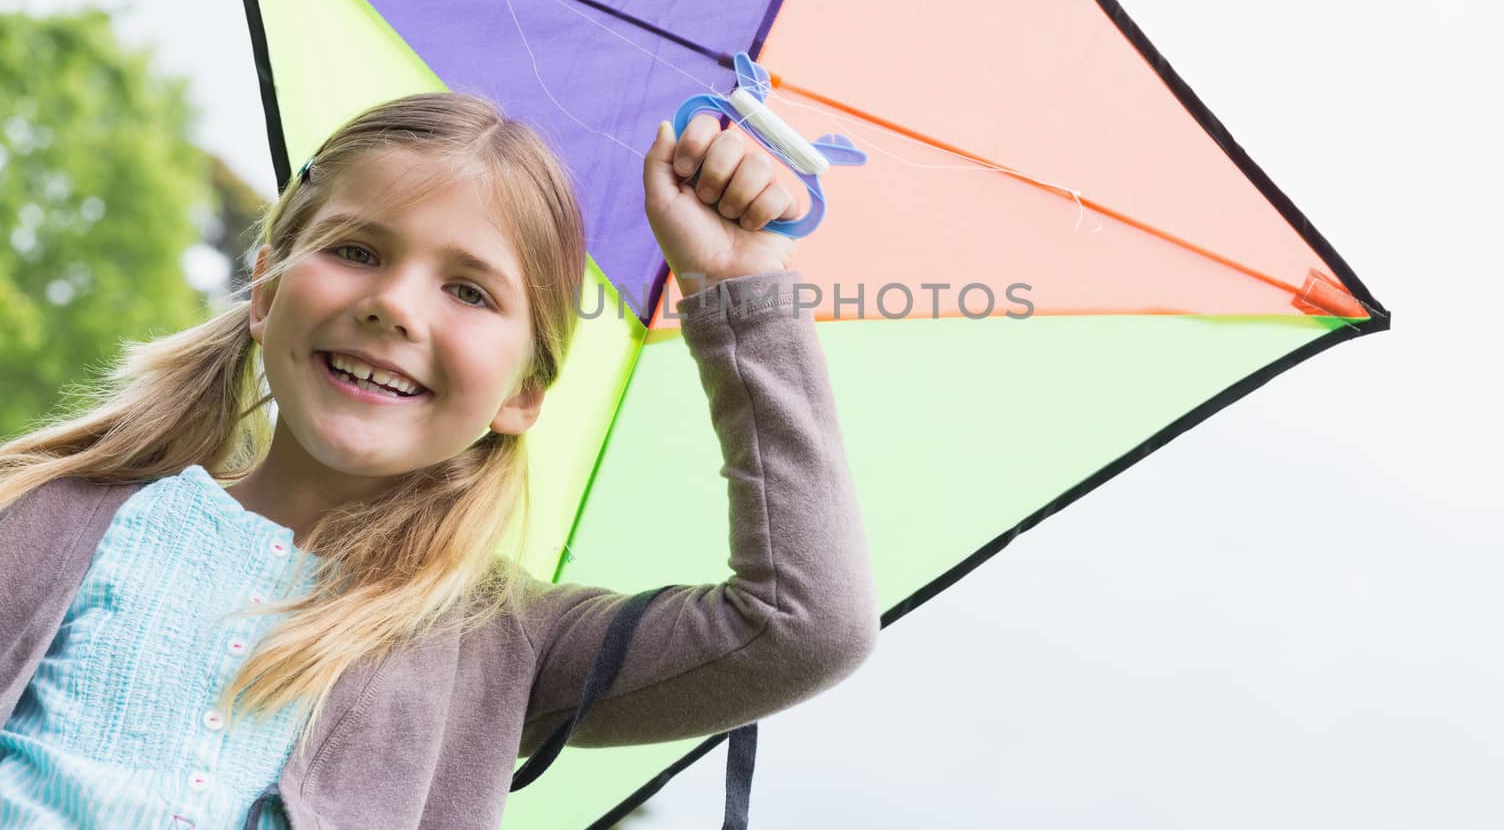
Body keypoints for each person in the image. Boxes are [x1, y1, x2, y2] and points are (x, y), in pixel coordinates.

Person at [0, 93, 878, 828]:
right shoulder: (47, 510)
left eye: (469, 290)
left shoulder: (499, 645)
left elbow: (805, 625)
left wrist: (739, 283)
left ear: (523, 393)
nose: (394, 305)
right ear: (266, 288)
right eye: (356, 251)